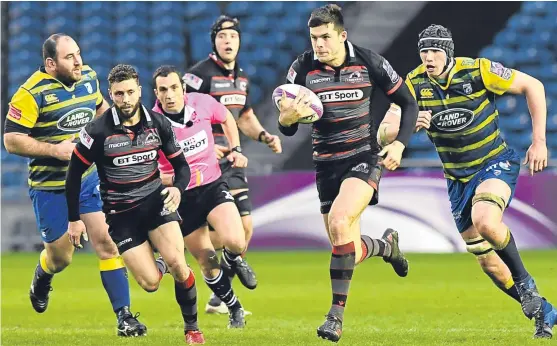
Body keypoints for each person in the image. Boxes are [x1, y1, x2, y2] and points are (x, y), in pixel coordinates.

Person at [379, 24, 557, 339]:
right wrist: (404, 126)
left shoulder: (479, 71)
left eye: (435, 50)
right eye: (424, 51)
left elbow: (534, 86)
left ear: (447, 51)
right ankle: (545, 312)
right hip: (457, 179)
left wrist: (539, 141)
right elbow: (383, 131)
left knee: (485, 219)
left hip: (494, 162)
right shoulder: (414, 84)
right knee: (488, 264)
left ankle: (526, 283)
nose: (428, 57)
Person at [276, 5, 419, 342]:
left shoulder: (369, 62)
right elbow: (287, 127)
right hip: (326, 165)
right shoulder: (301, 69)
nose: (319, 44)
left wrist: (399, 144)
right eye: (314, 38)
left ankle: (335, 317)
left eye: (325, 37)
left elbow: (408, 103)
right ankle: (386, 246)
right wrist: (286, 120)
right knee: (346, 247)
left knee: (340, 221)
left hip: (363, 158)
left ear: (342, 35)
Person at [3, 34, 146, 336]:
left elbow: (101, 110)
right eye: (70, 57)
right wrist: (54, 149)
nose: (78, 61)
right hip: (49, 186)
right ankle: (43, 274)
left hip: (86, 179)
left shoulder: (89, 77)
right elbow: (12, 140)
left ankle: (125, 317)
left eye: (79, 54)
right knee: (61, 257)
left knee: (107, 244)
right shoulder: (30, 94)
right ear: (51, 63)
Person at [65, 64, 199, 344]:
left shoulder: (158, 123)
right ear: (110, 95)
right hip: (121, 215)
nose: (125, 99)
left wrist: (177, 188)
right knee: (150, 284)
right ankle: (160, 259)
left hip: (155, 205)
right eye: (118, 94)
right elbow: (74, 174)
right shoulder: (97, 131)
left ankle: (192, 330)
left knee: (179, 264)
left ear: (140, 91)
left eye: (129, 92)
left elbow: (181, 166)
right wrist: (74, 218)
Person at [184, 15, 281, 314]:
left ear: (240, 41)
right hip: (203, 161)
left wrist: (265, 135)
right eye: (222, 36)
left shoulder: (241, 77)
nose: (228, 41)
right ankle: (190, 246)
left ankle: (216, 296)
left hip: (232, 159)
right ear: (213, 40)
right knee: (225, 232)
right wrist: (206, 148)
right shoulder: (198, 76)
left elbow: (243, 116)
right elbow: (181, 119)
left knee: (245, 228)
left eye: (233, 36)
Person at [153, 65, 250, 330]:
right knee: (207, 261)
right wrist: (169, 179)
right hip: (181, 197)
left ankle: (235, 260)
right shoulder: (151, 125)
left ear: (184, 88)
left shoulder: (203, 102)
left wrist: (235, 147)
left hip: (212, 185)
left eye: (174, 87)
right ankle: (234, 308)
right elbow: (148, 171)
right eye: (163, 90)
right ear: (156, 94)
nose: (170, 94)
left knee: (236, 240)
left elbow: (228, 118)